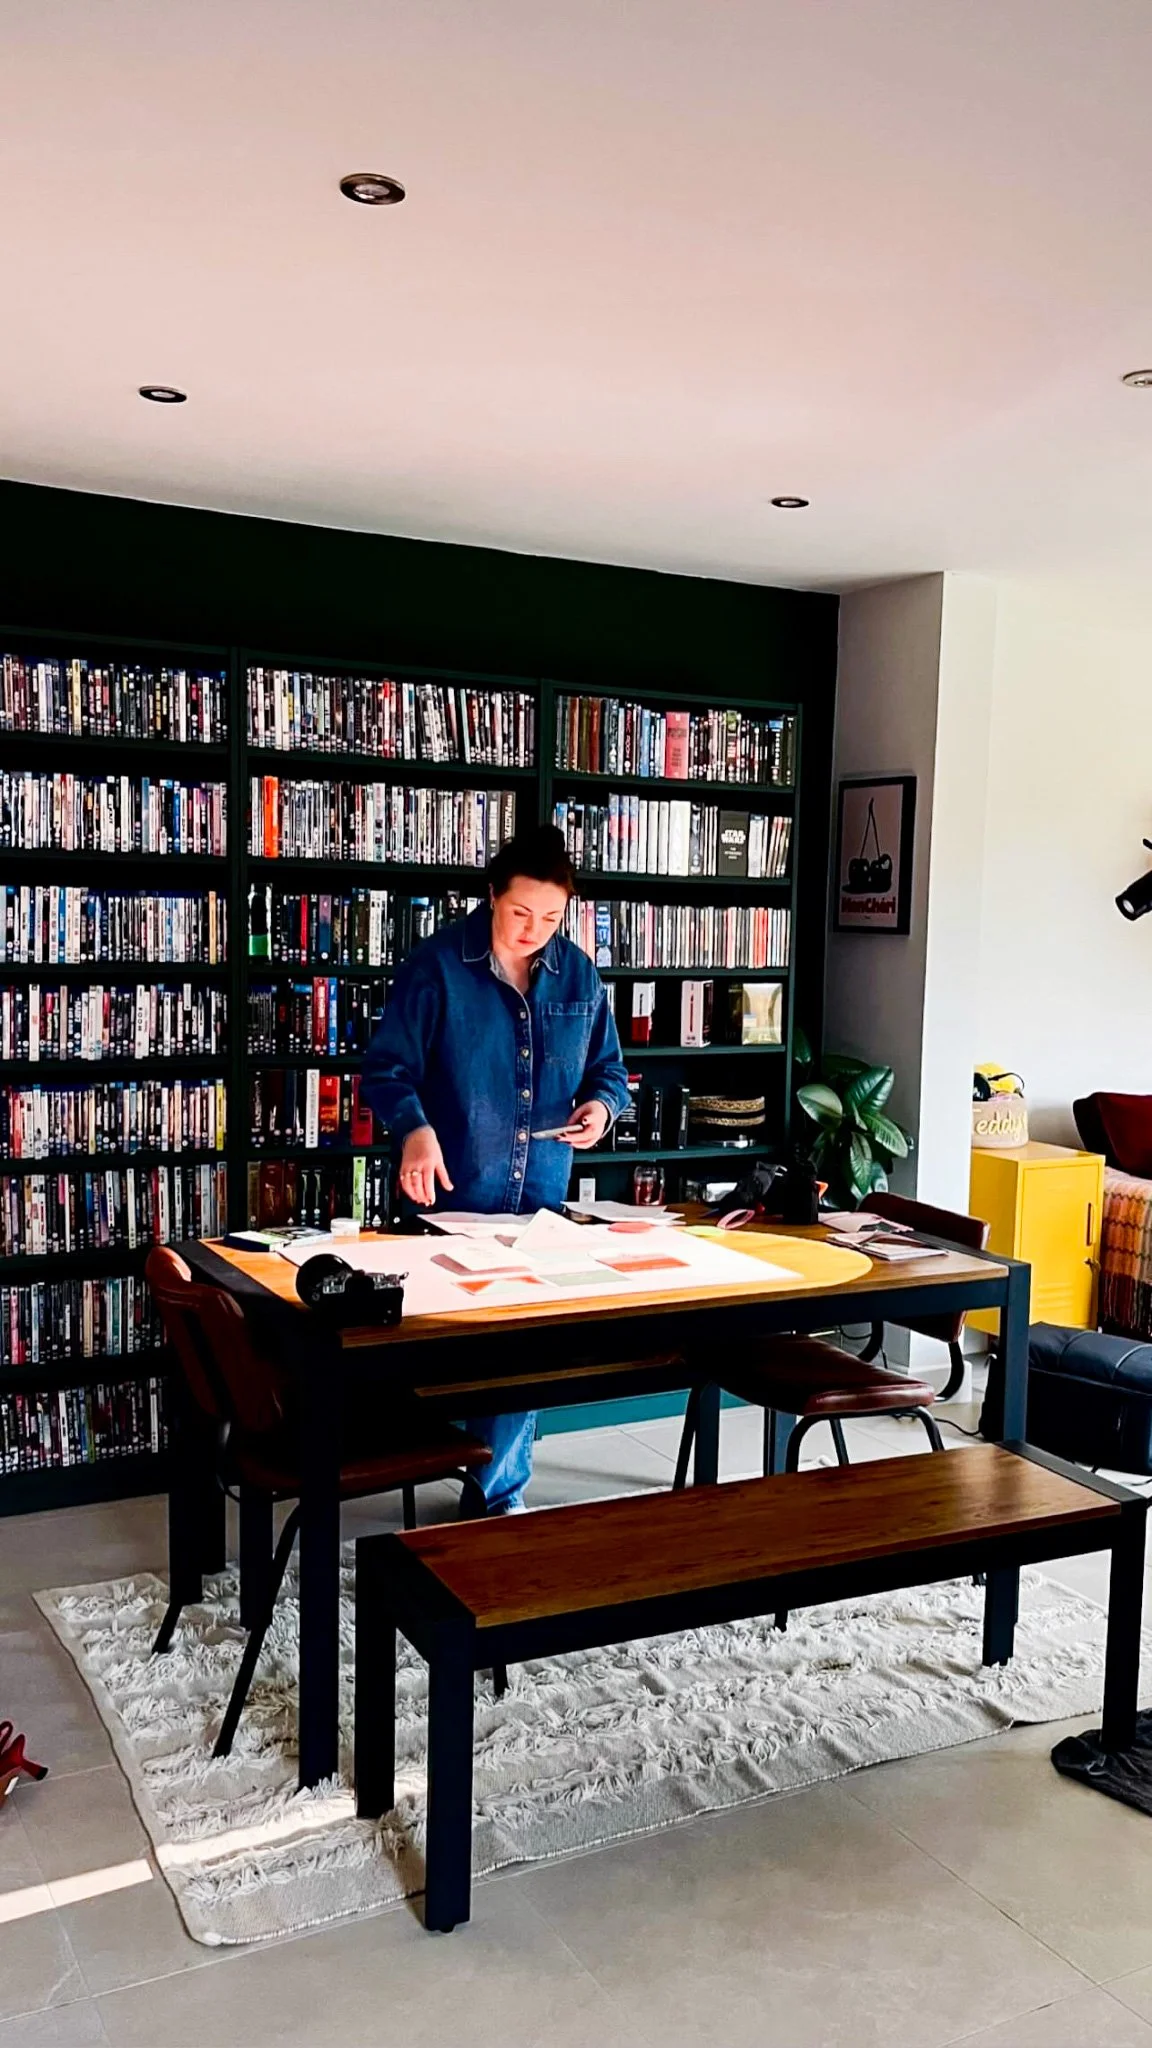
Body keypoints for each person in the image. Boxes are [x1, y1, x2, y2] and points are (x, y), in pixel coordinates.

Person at [360, 824, 630, 1513]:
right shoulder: (437, 967)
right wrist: (414, 1129)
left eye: (551, 918)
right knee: (446, 1356)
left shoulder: (579, 974)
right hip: (450, 1198)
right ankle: (439, 1474)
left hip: (539, 1204)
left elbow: (609, 1072)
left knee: (521, 1354)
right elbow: (386, 1069)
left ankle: (494, 1502)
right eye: (520, 913)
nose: (534, 931)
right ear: (491, 895)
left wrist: (600, 1109)